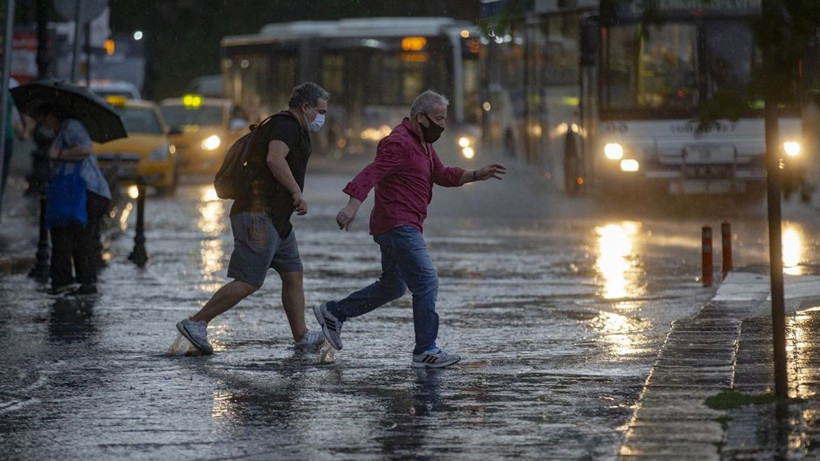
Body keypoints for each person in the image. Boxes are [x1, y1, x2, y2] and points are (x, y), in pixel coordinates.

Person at [313, 90, 506, 369]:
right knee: (427, 282)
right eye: (438, 118)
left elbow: (441, 175)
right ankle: (425, 350)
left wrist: (476, 174)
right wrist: (351, 207)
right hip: (398, 224)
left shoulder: (424, 144)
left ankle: (334, 312)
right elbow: (372, 172)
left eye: (444, 118)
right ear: (421, 117)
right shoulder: (399, 142)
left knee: (393, 286)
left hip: (404, 224)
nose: (442, 125)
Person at [176, 82, 330, 355]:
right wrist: (296, 191)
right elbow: (275, 159)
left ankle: (302, 336)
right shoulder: (286, 126)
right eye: (320, 110)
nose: (322, 117)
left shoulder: (293, 127)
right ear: (305, 107)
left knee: (293, 273)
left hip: (278, 219)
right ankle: (196, 322)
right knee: (249, 280)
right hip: (258, 214)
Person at [36, 104, 112, 295]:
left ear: (52, 114)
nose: (42, 122)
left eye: (44, 117)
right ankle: (69, 282)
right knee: (68, 234)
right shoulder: (62, 131)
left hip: (89, 191)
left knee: (79, 237)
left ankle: (84, 283)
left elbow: (86, 149)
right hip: (80, 192)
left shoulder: (71, 126)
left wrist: (60, 154)